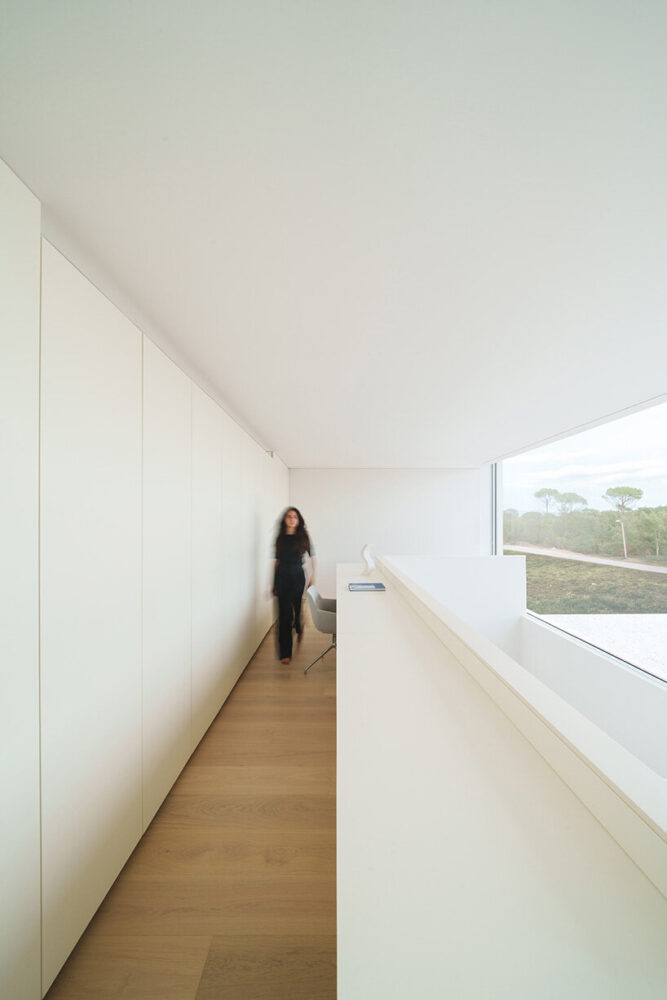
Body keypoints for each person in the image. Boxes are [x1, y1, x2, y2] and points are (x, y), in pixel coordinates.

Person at [273, 507, 316, 664]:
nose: (292, 519)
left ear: (298, 520)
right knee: (284, 615)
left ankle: (299, 624)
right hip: (282, 577)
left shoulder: (304, 537)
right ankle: (285, 653)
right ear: (285, 520)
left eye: (295, 517)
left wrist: (313, 576)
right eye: (289, 516)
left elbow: (313, 557)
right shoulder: (280, 538)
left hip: (297, 577)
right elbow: (276, 562)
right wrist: (272, 582)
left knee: (296, 608)